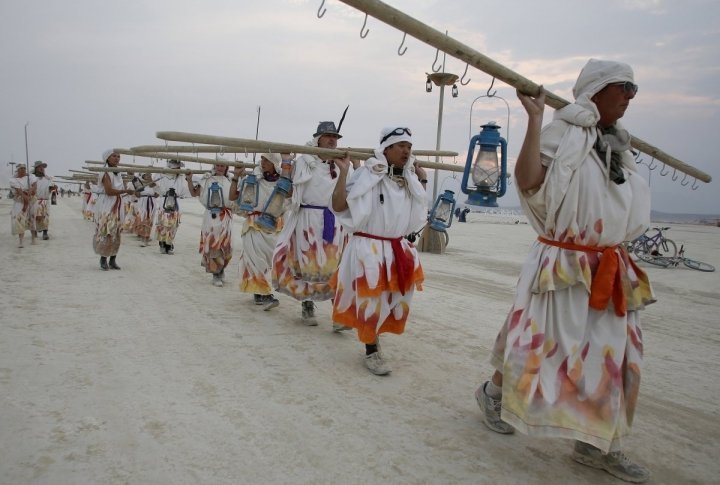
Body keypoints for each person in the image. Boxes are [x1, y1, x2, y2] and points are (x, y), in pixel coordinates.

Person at [475, 59, 655, 483]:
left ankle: (596, 445)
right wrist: (536, 119)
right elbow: (529, 181)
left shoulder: (618, 146)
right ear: (596, 89)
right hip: (563, 263)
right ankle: (492, 394)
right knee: (536, 344)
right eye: (624, 86)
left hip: (609, 266)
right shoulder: (564, 133)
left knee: (611, 355)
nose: (630, 95)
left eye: (635, 89)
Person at [330, 127, 427, 375]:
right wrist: (343, 173)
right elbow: (340, 206)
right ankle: (372, 350)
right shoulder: (366, 174)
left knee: (391, 301)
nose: (407, 150)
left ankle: (359, 326)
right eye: (401, 145)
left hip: (396, 248)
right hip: (369, 249)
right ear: (386, 149)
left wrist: (422, 179)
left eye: (409, 146)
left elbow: (416, 214)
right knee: (370, 300)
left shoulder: (409, 179)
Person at [272, 120, 352, 326]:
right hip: (307, 221)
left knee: (335, 267)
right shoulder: (304, 162)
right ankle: (307, 305)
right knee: (308, 264)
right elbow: (289, 188)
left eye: (335, 137)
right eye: (329, 137)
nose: (333, 140)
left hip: (333, 222)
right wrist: (287, 162)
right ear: (318, 139)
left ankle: (338, 313)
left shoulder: (342, 165)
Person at [236, 153, 288, 310]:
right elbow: (238, 199)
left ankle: (259, 291)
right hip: (254, 224)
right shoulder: (252, 180)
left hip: (273, 225)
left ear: (274, 163)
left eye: (267, 159)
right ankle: (263, 294)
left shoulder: (282, 183)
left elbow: (287, 203)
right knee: (254, 259)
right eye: (262, 159)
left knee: (270, 260)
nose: (263, 162)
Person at [186, 161, 239, 287]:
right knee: (214, 245)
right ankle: (216, 274)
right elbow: (194, 193)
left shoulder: (231, 180)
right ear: (214, 166)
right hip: (211, 217)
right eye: (218, 165)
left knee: (226, 247)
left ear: (227, 167)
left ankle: (221, 270)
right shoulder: (207, 179)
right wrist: (189, 180)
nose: (220, 168)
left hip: (225, 217)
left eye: (223, 165)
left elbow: (236, 197)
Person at [93, 149, 136, 270]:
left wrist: (130, 181)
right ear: (107, 158)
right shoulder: (106, 172)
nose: (117, 158)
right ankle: (103, 259)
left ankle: (113, 259)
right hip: (107, 204)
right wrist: (125, 191)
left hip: (117, 204)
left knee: (116, 232)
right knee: (106, 231)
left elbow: (120, 188)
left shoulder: (118, 172)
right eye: (114, 156)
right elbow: (109, 191)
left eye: (118, 156)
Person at [153, 159, 194, 255]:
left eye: (179, 167)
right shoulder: (162, 174)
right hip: (164, 202)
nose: (179, 169)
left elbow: (186, 189)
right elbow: (156, 187)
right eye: (177, 167)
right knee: (162, 224)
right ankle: (162, 243)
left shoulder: (181, 177)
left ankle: (169, 244)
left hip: (176, 202)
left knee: (173, 225)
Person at [9, 165, 37, 248]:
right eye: (21, 168)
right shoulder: (13, 180)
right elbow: (18, 190)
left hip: (31, 200)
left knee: (32, 219)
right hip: (20, 201)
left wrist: (31, 190)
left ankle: (33, 238)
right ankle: (21, 241)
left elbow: (35, 185)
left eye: (24, 168)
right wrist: (25, 196)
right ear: (18, 170)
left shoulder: (31, 177)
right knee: (20, 220)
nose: (23, 170)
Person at [31, 160, 54, 240]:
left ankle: (45, 233)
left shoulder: (48, 178)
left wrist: (53, 188)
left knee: (46, 216)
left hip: (45, 200)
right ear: (36, 168)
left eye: (43, 167)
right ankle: (35, 231)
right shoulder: (32, 178)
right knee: (35, 216)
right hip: (35, 200)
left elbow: (51, 188)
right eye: (40, 167)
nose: (42, 168)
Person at [134, 173, 158, 247]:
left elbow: (157, 194)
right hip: (142, 202)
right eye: (146, 175)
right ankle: (142, 236)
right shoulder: (139, 183)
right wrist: (138, 191)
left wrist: (153, 194)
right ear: (143, 176)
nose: (148, 176)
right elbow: (137, 195)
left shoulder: (154, 183)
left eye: (149, 175)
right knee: (142, 218)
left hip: (152, 202)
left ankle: (146, 236)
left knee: (150, 219)